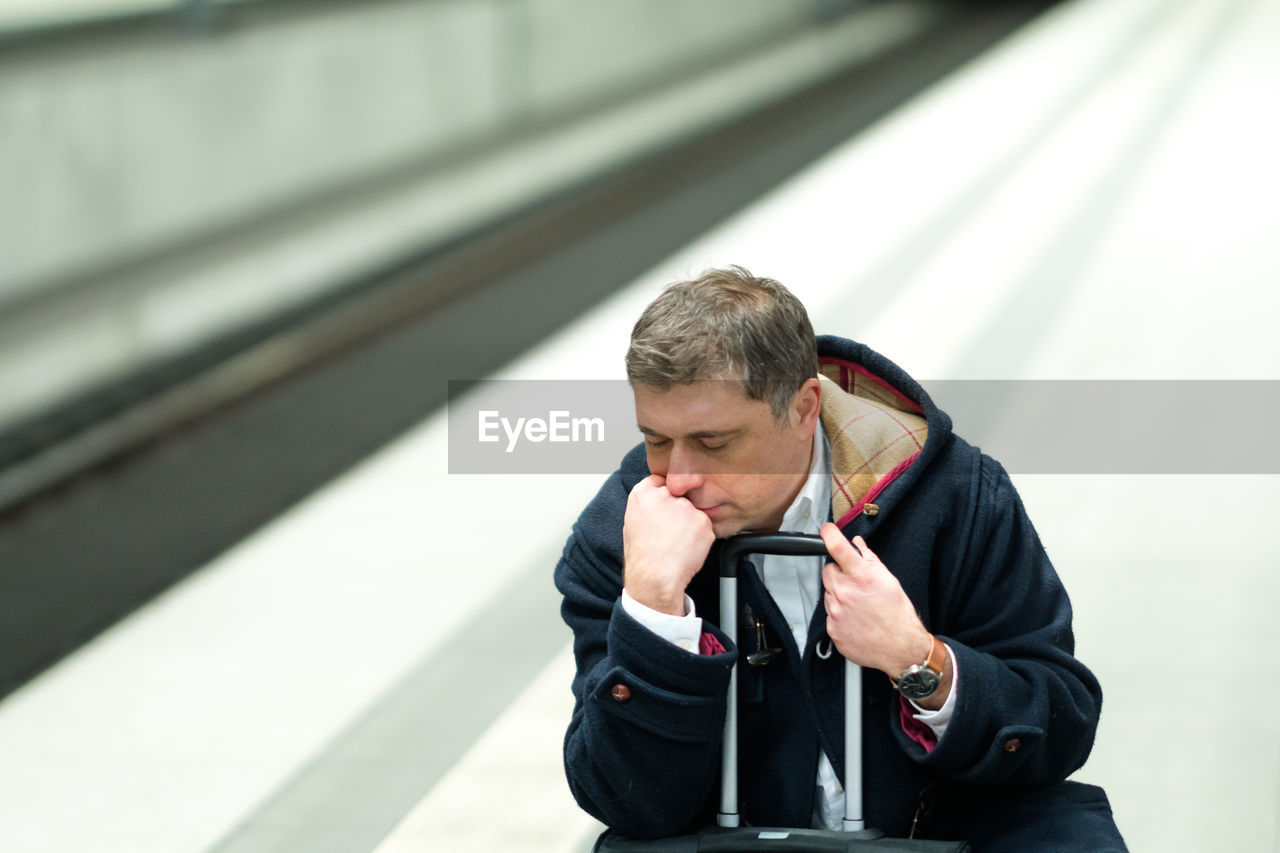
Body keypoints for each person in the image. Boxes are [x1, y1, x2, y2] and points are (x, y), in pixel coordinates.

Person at [553, 267, 1125, 849]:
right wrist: (653, 615)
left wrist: (918, 660)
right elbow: (628, 803)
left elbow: (1060, 729)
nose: (678, 477)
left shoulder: (954, 495)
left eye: (713, 443)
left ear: (805, 408)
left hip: (945, 834)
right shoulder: (622, 532)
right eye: (656, 440)